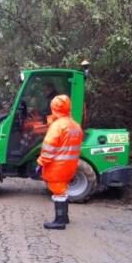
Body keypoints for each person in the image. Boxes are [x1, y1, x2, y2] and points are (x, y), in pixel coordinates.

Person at [37, 95, 82, 230]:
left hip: (58, 166)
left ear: (54, 108)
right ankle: (65, 217)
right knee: (63, 190)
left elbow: (48, 148)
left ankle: (59, 221)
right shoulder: (75, 125)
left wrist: (41, 163)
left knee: (59, 192)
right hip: (70, 166)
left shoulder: (57, 126)